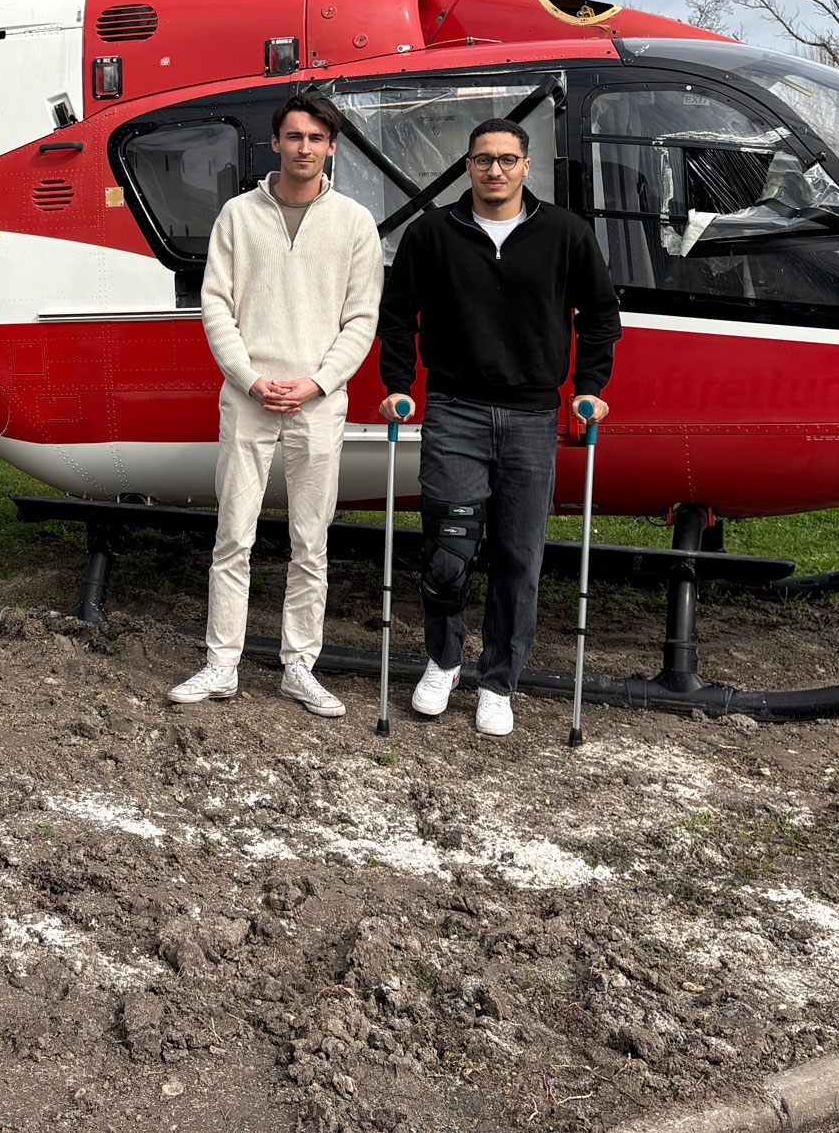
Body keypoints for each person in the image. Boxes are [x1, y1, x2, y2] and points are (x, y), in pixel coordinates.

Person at [375, 116, 620, 735]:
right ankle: (443, 659)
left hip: (533, 414)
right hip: (454, 409)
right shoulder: (433, 233)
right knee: (448, 551)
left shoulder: (565, 233)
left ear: (526, 166)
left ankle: (499, 681)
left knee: (518, 555)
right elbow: (397, 314)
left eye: (507, 159)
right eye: (483, 159)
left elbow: (600, 314)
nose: (495, 170)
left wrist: (588, 389)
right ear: (467, 166)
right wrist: (399, 386)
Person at [169, 94, 383, 718]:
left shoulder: (353, 223)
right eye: (294, 136)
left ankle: (299, 666)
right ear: (276, 142)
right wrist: (248, 377)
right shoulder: (237, 216)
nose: (305, 147)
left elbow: (361, 318)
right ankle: (221, 663)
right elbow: (217, 305)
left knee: (309, 540)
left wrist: (319, 382)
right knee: (232, 534)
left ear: (332, 146)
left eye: (316, 137)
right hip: (248, 398)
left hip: (319, 403)